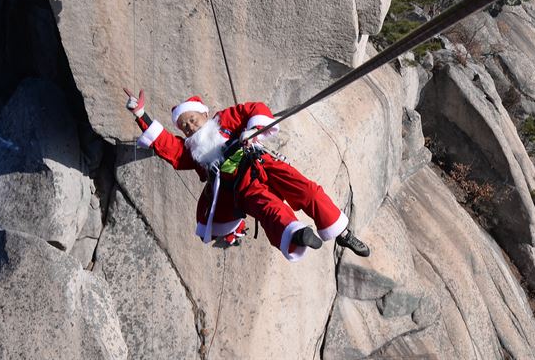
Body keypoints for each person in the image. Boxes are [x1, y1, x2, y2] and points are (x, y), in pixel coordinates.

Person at [122, 88, 370, 261]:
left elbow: (253, 110)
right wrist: (141, 115)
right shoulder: (191, 151)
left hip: (262, 162)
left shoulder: (224, 121)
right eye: (184, 126)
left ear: (205, 114)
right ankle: (296, 236)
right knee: (266, 207)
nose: (189, 127)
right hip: (240, 184)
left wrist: (251, 132)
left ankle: (342, 233)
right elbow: (166, 145)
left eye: (192, 119)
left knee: (307, 190)